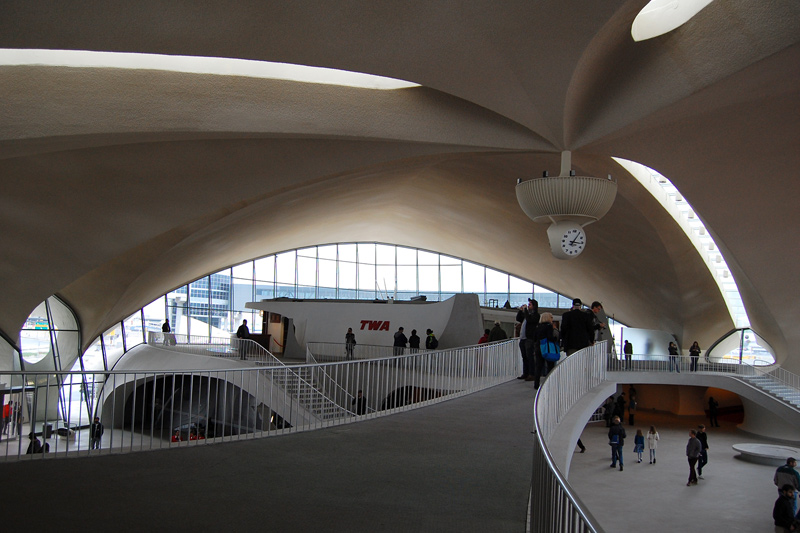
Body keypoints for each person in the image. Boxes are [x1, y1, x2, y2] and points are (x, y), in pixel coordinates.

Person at [532, 312, 559, 389]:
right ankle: (548, 383)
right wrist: (555, 339)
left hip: (538, 347)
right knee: (550, 366)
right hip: (547, 349)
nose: (552, 319)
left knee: (538, 366)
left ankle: (536, 384)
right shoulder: (549, 326)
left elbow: (534, 338)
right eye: (551, 317)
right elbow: (550, 337)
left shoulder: (538, 326)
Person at [516, 299, 540, 381]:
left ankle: (531, 374)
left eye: (530, 305)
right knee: (524, 357)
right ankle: (525, 373)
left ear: (534, 306)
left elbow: (530, 320)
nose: (528, 306)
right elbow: (518, 318)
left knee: (530, 356)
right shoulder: (526, 315)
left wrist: (525, 310)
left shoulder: (535, 315)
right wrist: (521, 311)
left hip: (529, 338)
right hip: (523, 338)